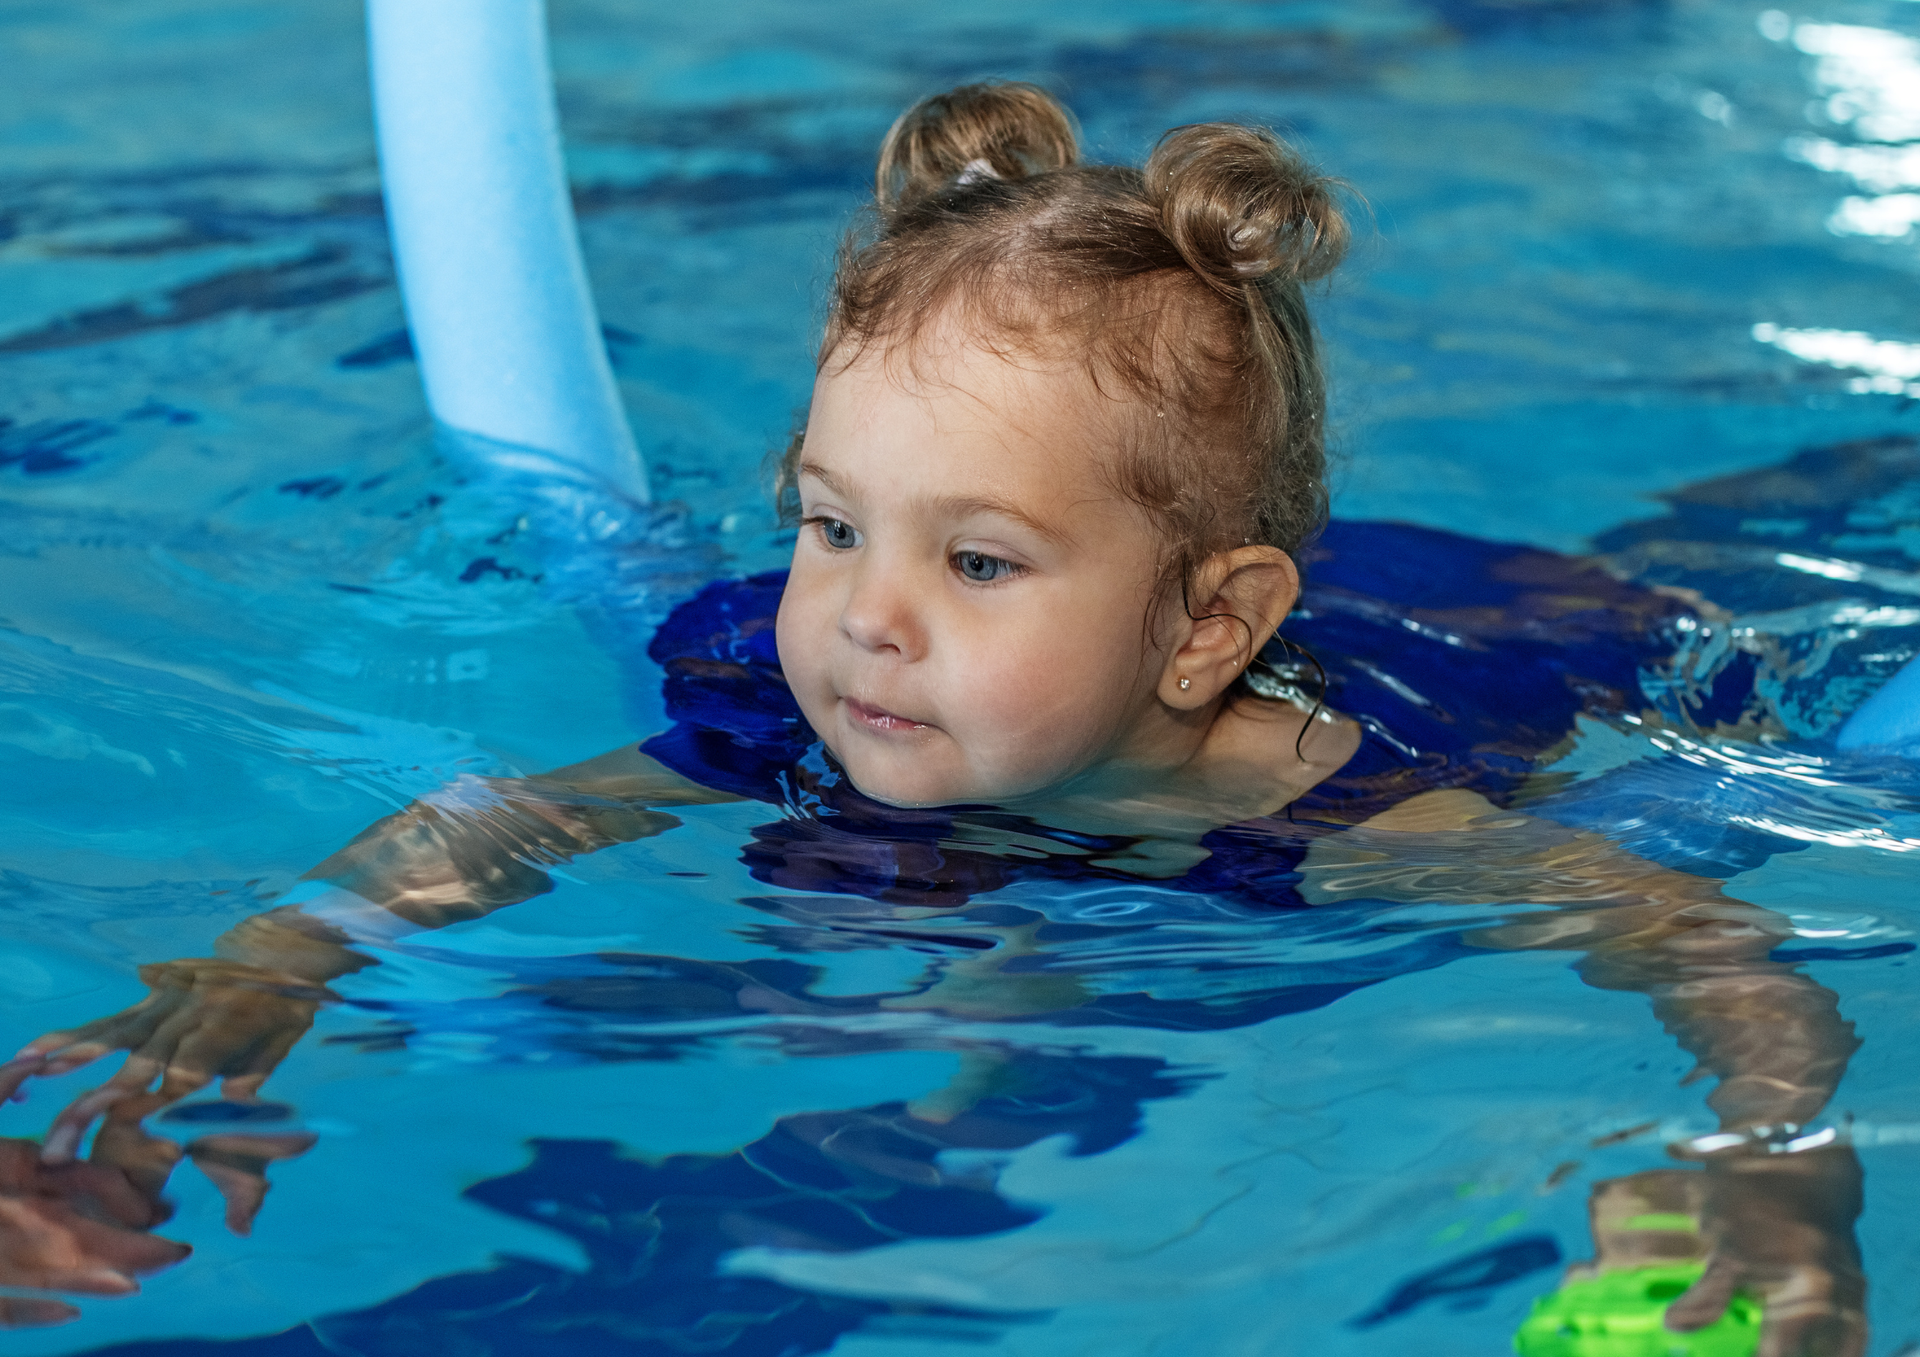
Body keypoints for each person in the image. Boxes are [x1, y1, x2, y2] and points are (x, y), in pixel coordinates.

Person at [0, 83, 1867, 1352]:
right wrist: (251, 980)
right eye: (826, 523)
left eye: (976, 564)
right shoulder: (817, 708)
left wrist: (1770, 1171)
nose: (862, 618)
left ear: (1206, 630)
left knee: (1736, 573)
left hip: (1527, 635)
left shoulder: (1368, 824)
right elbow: (493, 824)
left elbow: (1702, 940)